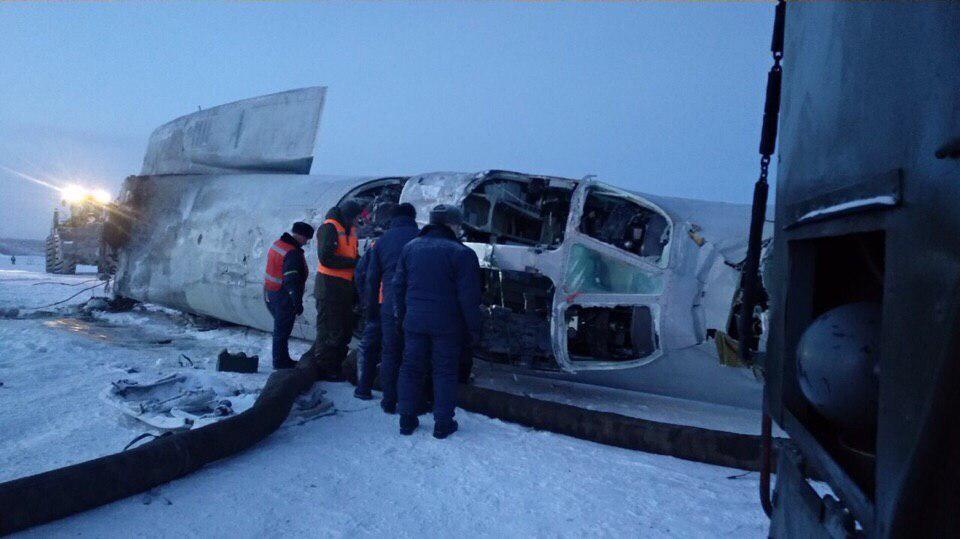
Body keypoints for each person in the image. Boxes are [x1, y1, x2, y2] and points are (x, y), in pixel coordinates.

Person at [393, 204, 481, 438]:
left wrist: (401, 317)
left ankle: (406, 419)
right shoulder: (462, 253)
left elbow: (398, 286)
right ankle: (443, 424)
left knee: (411, 368)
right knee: (444, 372)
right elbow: (469, 298)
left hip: (414, 321)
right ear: (451, 225)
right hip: (447, 325)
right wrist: (474, 329)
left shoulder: (410, 248)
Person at [363, 203, 420, 412]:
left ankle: (388, 400)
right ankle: (412, 400)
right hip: (415, 305)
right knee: (413, 354)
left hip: (388, 304)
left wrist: (370, 310)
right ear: (413, 216)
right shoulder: (421, 238)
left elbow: (371, 279)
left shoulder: (382, 241)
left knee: (390, 353)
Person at [304, 200, 362, 380]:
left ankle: (336, 366)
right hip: (329, 289)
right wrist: (355, 263)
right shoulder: (329, 228)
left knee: (343, 330)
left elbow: (351, 255)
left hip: (344, 289)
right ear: (349, 215)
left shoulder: (349, 231)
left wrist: (362, 260)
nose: (358, 221)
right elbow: (326, 258)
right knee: (329, 330)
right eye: (357, 217)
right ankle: (325, 368)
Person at [263, 221, 313, 370]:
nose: (306, 242)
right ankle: (280, 362)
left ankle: (282, 359)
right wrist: (297, 302)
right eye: (306, 238)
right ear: (299, 235)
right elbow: (292, 281)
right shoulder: (292, 252)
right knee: (282, 330)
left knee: (280, 329)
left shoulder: (278, 244)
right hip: (283, 295)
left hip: (271, 291)